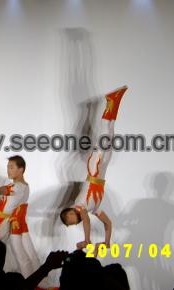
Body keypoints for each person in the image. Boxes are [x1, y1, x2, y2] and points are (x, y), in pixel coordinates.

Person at [60, 86, 128, 250]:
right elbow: (108, 223)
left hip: (95, 169)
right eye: (72, 223)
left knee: (105, 134)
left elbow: (86, 221)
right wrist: (107, 241)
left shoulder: (80, 205)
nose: (73, 223)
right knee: (110, 132)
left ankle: (109, 102)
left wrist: (87, 240)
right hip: (101, 170)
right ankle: (115, 101)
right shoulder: (93, 208)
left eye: (70, 221)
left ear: (70, 212)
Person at [0, 155, 38, 277]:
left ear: (21, 169)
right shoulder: (18, 186)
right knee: (23, 254)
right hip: (7, 222)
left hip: (2, 223)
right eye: (7, 167)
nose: (8, 170)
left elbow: (0, 190)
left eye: (11, 167)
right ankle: (35, 279)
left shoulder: (19, 187)